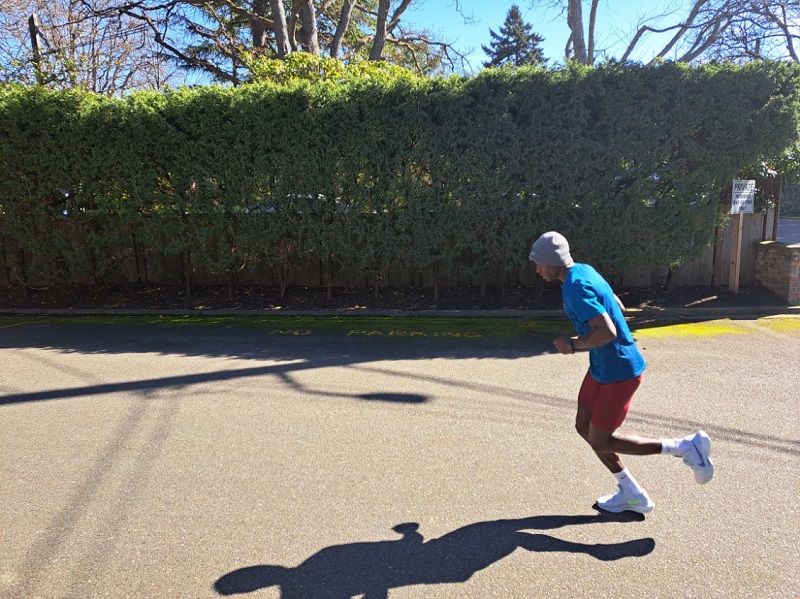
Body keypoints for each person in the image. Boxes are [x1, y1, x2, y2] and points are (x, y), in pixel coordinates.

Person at [529, 231, 713, 514]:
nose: (538, 269)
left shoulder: (575, 288)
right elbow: (614, 300)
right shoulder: (583, 271)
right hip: (602, 368)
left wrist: (572, 345)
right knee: (583, 426)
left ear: (555, 261)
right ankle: (631, 492)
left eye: (540, 263)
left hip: (620, 372)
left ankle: (685, 447)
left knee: (600, 439)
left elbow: (607, 332)